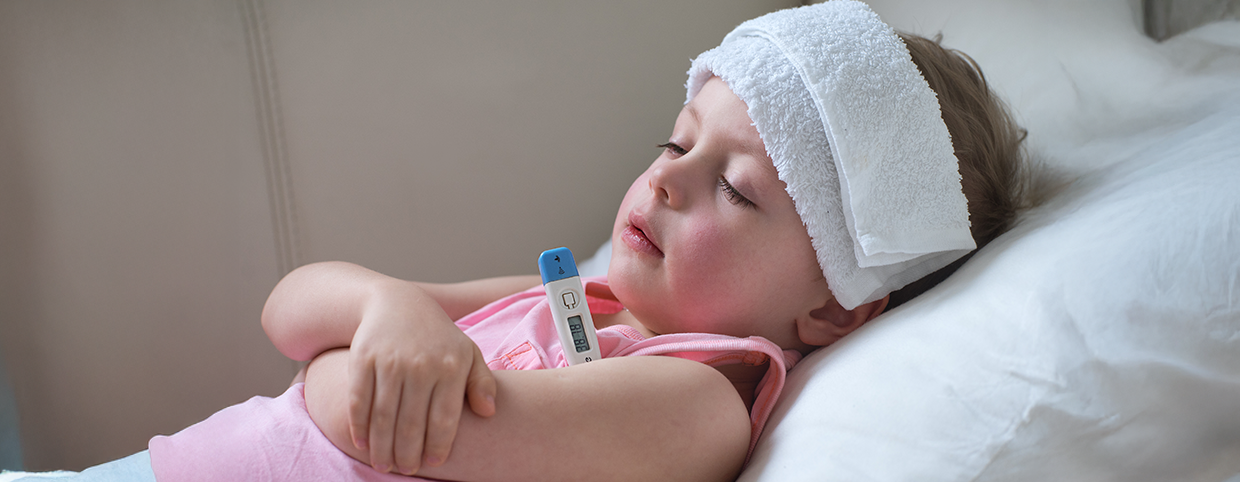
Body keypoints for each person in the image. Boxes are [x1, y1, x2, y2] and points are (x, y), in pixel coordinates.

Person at [11, 2, 1029, 481]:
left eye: (734, 187)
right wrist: (383, 307)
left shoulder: (692, 400)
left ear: (835, 307)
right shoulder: (589, 302)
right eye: (676, 140)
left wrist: (370, 343)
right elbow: (289, 309)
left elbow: (356, 411)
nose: (665, 177)